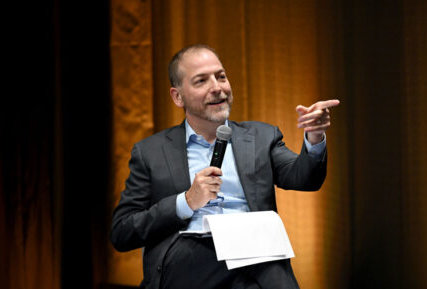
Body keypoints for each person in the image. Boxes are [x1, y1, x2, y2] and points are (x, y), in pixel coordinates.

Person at [110, 44, 340, 289]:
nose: (217, 87)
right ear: (178, 96)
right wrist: (186, 201)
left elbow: (305, 179)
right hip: (191, 254)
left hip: (257, 255)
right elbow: (123, 231)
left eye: (221, 77)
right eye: (201, 81)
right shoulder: (151, 152)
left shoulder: (262, 136)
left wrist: (314, 138)